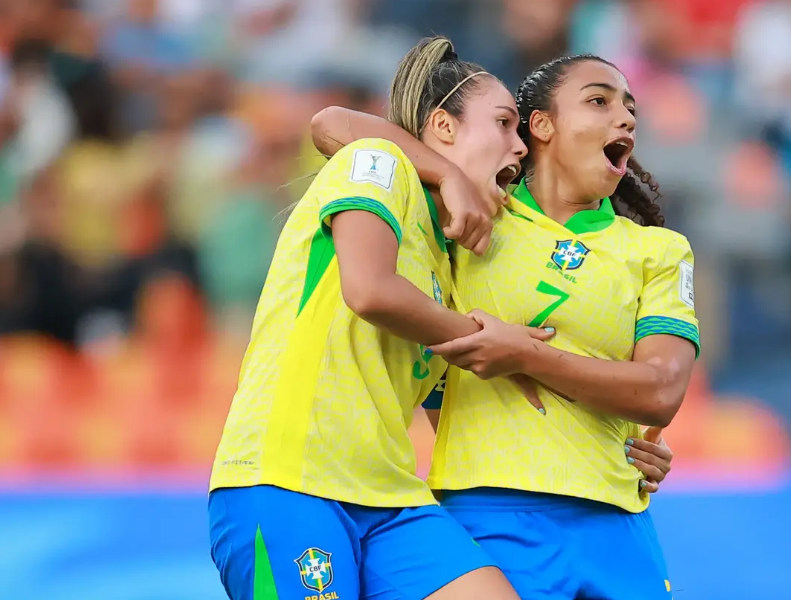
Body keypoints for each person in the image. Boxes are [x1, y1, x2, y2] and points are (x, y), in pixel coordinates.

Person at [312, 53, 697, 599]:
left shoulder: (659, 250)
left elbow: (660, 392)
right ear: (541, 125)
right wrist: (446, 173)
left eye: (630, 108)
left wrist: (527, 357)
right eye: (599, 100)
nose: (626, 117)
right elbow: (331, 125)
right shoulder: (473, 214)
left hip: (617, 519)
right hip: (484, 513)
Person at [207, 37, 542, 600]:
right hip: (289, 481)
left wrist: (618, 446)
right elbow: (369, 290)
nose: (520, 147)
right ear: (443, 126)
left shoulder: (451, 259)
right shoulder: (381, 165)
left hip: (388, 496)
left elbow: (456, 410)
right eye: (506, 123)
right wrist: (493, 342)